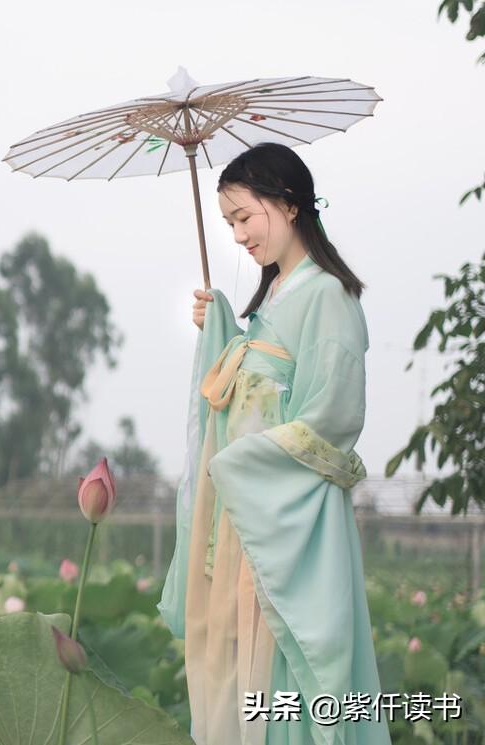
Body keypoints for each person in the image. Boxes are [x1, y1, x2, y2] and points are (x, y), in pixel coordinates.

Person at [156, 143, 392, 744]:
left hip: (284, 521)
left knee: (292, 677)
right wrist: (224, 333)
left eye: (243, 216)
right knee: (246, 680)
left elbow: (330, 419)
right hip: (246, 519)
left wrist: (241, 464)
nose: (237, 236)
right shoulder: (275, 299)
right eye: (229, 223)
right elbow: (255, 391)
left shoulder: (328, 297)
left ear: (288, 205)